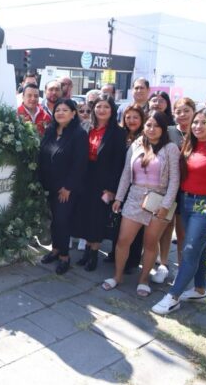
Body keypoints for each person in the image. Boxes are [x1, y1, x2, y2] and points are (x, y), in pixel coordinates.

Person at [152, 108, 206, 315]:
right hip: (186, 201)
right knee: (199, 249)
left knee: (189, 250)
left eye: (203, 123)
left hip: (205, 205)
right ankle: (199, 289)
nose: (198, 126)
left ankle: (173, 296)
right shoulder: (191, 145)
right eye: (195, 122)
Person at [103, 111, 180, 297]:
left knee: (150, 243)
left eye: (156, 126)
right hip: (135, 197)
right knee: (123, 241)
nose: (151, 129)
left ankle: (144, 279)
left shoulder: (170, 148)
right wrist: (119, 198)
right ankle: (117, 275)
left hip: (159, 200)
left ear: (163, 129)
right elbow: (126, 175)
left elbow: (174, 180)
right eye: (149, 125)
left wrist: (166, 205)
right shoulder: (137, 144)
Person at [74, 93, 127, 271]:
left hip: (103, 181)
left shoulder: (118, 133)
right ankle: (86, 252)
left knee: (97, 218)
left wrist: (112, 189)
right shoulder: (86, 127)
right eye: (98, 106)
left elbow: (119, 163)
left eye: (106, 107)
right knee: (85, 216)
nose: (101, 110)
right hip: (85, 179)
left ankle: (94, 255)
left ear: (112, 110)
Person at [38, 98, 89, 274]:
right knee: (54, 221)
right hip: (50, 185)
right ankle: (55, 249)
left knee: (62, 221)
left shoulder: (79, 134)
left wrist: (68, 187)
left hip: (66, 188)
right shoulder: (51, 130)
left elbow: (79, 164)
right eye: (57, 110)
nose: (60, 112)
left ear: (73, 113)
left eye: (65, 110)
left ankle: (65, 257)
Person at [105, 103, 146, 271]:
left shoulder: (146, 137)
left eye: (135, 117)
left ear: (142, 119)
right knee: (117, 221)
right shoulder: (121, 135)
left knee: (135, 225)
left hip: (136, 185)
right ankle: (115, 254)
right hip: (119, 182)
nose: (131, 120)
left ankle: (132, 260)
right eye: (128, 117)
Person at [159, 97, 197, 280]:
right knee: (165, 227)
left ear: (194, 112)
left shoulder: (199, 132)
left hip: (188, 189)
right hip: (167, 187)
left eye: (186, 111)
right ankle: (163, 264)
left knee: (182, 232)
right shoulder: (168, 132)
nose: (182, 115)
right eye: (178, 111)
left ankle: (182, 270)